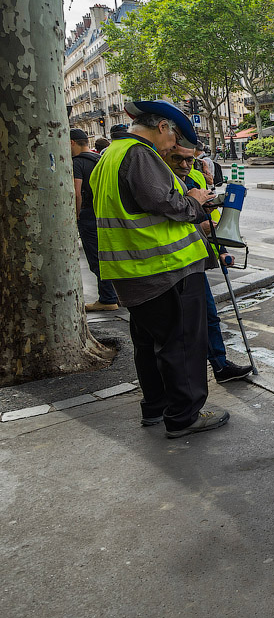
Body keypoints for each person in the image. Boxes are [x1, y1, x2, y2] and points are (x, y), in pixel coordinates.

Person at [89, 100, 230, 439]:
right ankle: (184, 416)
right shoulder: (140, 154)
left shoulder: (110, 155)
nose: (175, 147)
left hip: (135, 273)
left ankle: (156, 406)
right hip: (167, 270)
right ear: (164, 127)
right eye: (175, 138)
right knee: (182, 344)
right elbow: (166, 203)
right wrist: (196, 200)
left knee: (150, 343)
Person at [161, 141, 254, 384]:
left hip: (193, 258)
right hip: (167, 263)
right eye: (177, 159)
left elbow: (208, 218)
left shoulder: (196, 178)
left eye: (189, 159)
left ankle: (219, 365)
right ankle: (187, 380)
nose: (184, 165)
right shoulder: (161, 182)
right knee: (180, 326)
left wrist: (220, 248)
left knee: (208, 316)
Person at [71, 128, 119, 312]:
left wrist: (76, 216)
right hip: (106, 212)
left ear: (71, 143)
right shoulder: (99, 159)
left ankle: (107, 298)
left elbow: (76, 193)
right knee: (109, 255)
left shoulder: (76, 163)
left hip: (89, 214)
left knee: (96, 258)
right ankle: (116, 294)